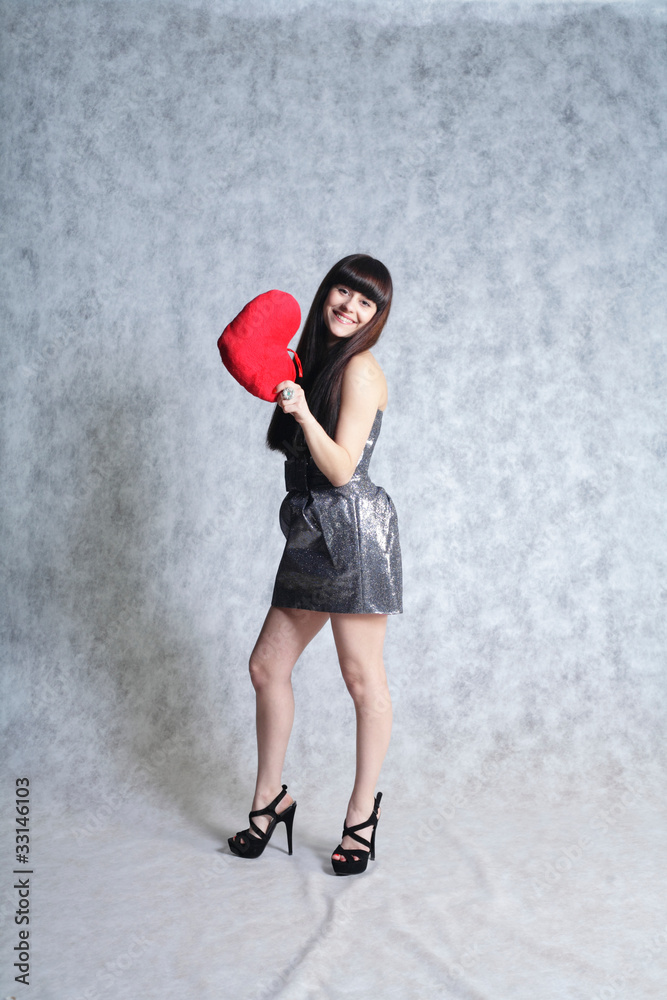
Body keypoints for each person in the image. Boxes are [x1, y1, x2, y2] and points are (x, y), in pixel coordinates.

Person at [228, 254, 402, 875]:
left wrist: (302, 410)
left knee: (362, 682)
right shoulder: (314, 362)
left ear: (377, 317)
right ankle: (271, 798)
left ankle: (361, 819)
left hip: (354, 533)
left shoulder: (359, 370)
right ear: (326, 290)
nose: (350, 308)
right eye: (344, 292)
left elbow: (340, 470)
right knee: (266, 666)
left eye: (366, 303)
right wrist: (289, 396)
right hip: (309, 532)